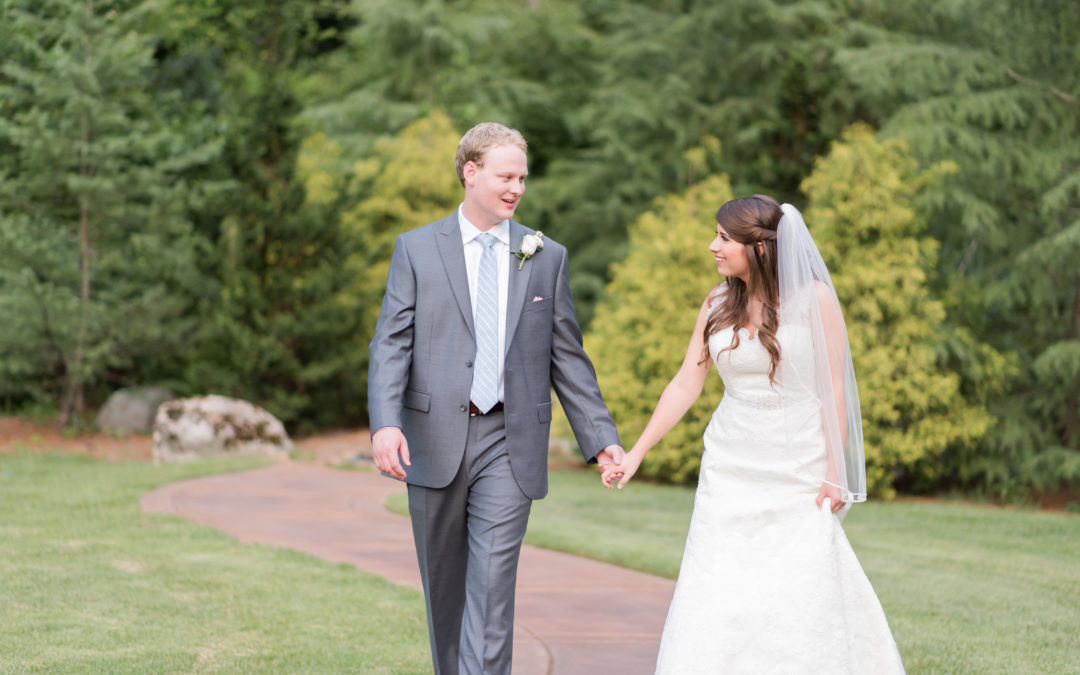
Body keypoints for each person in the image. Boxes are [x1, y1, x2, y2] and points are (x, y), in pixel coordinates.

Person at [602, 195, 904, 672]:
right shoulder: (717, 301)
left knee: (798, 585)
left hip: (798, 468)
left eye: (724, 238)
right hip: (729, 464)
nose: (712, 247)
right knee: (719, 581)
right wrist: (637, 452)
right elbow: (686, 382)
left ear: (760, 247)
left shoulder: (815, 300)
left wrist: (834, 470)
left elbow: (835, 391)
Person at [368, 122, 624, 675]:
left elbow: (568, 357)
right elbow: (391, 344)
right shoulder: (416, 249)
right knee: (445, 591)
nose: (516, 188)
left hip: (510, 443)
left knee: (491, 587)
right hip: (431, 441)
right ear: (470, 172)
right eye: (506, 176)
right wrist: (385, 423)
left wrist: (600, 439)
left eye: (522, 178)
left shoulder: (545, 255)